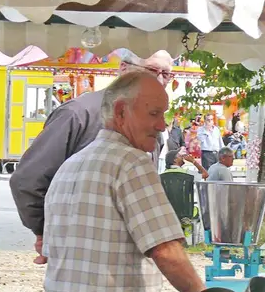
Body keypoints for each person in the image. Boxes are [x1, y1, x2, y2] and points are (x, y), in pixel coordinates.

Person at [42, 71, 205, 292]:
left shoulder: (72, 163)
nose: (162, 125)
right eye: (153, 114)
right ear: (120, 112)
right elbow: (166, 251)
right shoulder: (133, 162)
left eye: (163, 114)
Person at [10, 50, 175, 265]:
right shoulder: (78, 114)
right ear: (123, 69)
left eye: (167, 74)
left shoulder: (154, 125)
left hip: (130, 260)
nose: (160, 80)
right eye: (153, 70)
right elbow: (28, 180)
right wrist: (45, 230)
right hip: (83, 255)